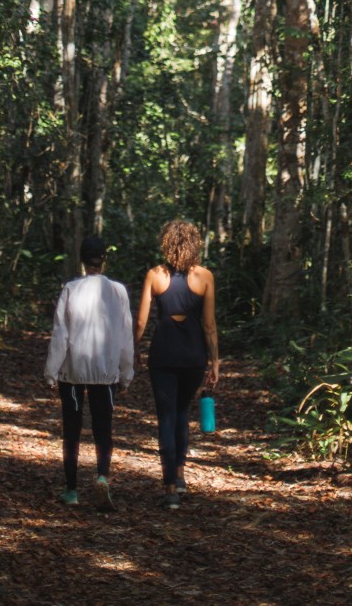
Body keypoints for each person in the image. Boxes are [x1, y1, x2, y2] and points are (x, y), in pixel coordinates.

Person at [44, 234, 134, 511]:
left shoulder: (70, 289)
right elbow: (125, 336)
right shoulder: (118, 291)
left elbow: (61, 334)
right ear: (103, 259)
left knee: (71, 429)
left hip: (72, 372)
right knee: (102, 427)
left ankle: (71, 490)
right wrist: (126, 372)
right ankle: (102, 477)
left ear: (81, 260)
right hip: (105, 371)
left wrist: (51, 370)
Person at [135, 219, 219, 511]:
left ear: (167, 243)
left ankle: (170, 488)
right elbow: (209, 325)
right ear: (195, 245)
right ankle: (180, 475)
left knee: (166, 417)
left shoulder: (155, 276)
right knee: (181, 411)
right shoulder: (205, 276)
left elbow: (141, 321)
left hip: (163, 356)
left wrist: (134, 348)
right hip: (194, 357)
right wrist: (215, 361)